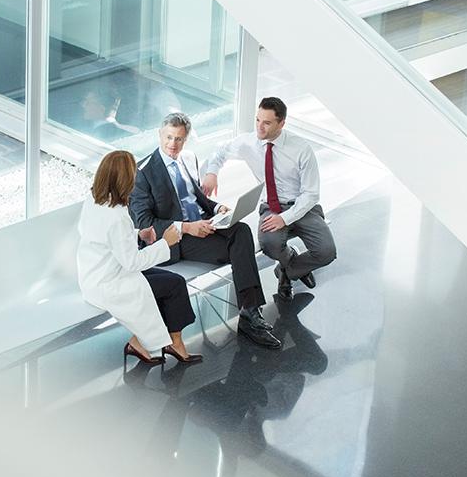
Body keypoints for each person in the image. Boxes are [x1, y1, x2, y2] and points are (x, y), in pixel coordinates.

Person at [129, 113, 282, 350]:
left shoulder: (188, 159)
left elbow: (196, 199)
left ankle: (250, 311)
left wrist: (217, 207)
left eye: (179, 139)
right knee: (238, 246)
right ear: (160, 135)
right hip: (175, 238)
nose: (173, 144)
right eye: (169, 137)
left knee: (240, 230)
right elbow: (144, 221)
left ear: (186, 139)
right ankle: (250, 316)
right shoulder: (143, 172)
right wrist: (188, 227)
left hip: (203, 223)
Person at [202, 97, 336, 301]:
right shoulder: (249, 142)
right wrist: (212, 173)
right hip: (271, 207)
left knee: (327, 252)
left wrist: (285, 218)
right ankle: (292, 262)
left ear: (281, 123)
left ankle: (287, 271)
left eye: (266, 123)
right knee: (269, 244)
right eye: (257, 120)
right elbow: (220, 152)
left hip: (302, 206)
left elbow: (311, 194)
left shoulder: (301, 149)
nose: (259, 127)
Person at [77, 150, 203, 366]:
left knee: (166, 282)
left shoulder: (96, 199)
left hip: (97, 274)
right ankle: (174, 342)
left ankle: (140, 342)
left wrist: (137, 234)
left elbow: (107, 239)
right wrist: (167, 242)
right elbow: (132, 262)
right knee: (175, 284)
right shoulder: (116, 216)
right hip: (110, 282)